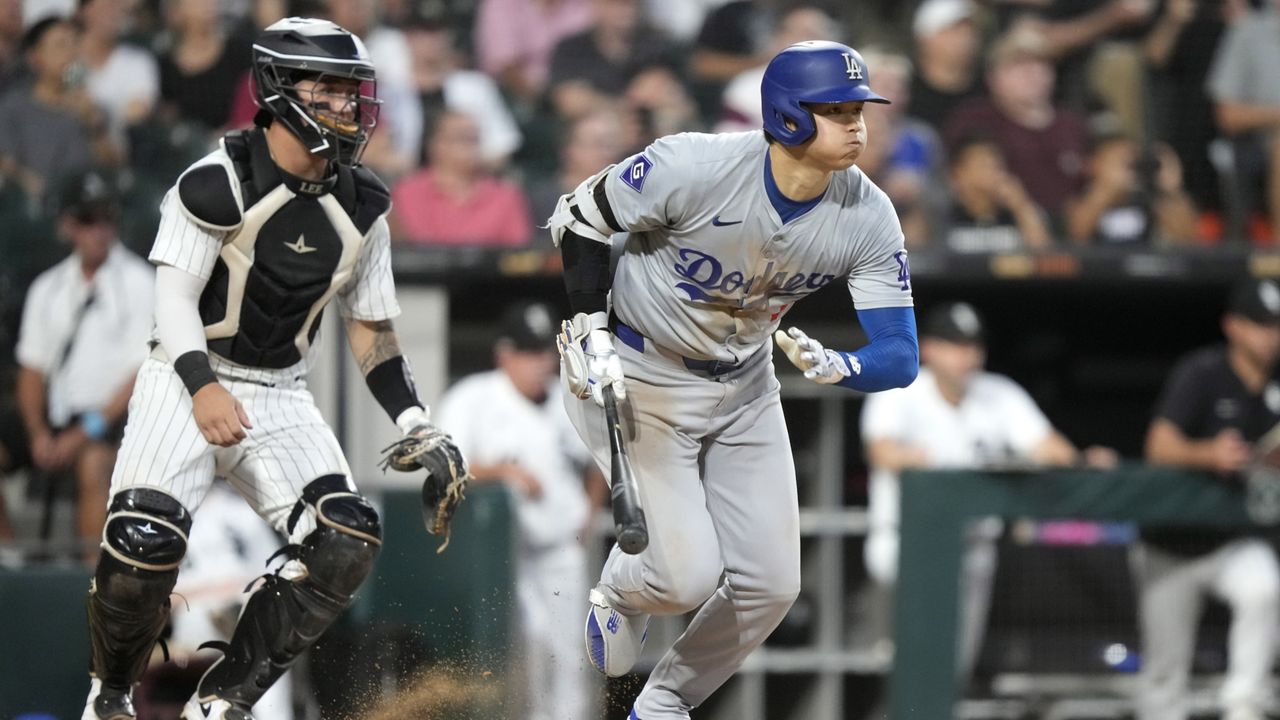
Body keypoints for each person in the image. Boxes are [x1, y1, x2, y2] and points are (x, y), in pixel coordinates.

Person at [78, 18, 467, 720]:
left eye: (354, 92)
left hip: (281, 390)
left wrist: (418, 422)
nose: (350, 107)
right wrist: (202, 388)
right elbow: (172, 297)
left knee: (346, 538)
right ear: (278, 90)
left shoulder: (366, 204)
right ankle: (109, 693)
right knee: (143, 545)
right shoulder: (215, 181)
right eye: (331, 90)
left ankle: (224, 700)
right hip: (185, 370)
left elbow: (372, 330)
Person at [548, 41, 919, 719]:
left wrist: (846, 365)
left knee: (772, 585)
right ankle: (624, 592)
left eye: (858, 109)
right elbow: (580, 217)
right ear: (786, 117)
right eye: (834, 110)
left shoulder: (868, 213)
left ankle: (662, 705)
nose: (856, 124)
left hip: (745, 386)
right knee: (684, 576)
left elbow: (900, 352)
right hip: (639, 371)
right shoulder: (697, 163)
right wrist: (586, 321)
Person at [860, 302, 1116, 677]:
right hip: (906, 545)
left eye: (973, 345)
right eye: (955, 345)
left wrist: (1078, 460)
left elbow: (1045, 445)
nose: (967, 356)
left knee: (956, 668)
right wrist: (916, 459)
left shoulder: (999, 393)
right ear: (929, 348)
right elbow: (881, 451)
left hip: (973, 548)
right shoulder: (899, 388)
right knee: (912, 669)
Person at [435, 300, 602, 720]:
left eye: (545, 351)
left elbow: (601, 460)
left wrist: (589, 516)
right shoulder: (475, 398)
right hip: (502, 557)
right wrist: (500, 471)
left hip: (562, 547)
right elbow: (442, 464)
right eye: (530, 352)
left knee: (572, 655)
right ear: (504, 353)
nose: (542, 361)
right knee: (528, 644)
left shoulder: (569, 398)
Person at [1137, 278, 1280, 720]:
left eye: (1276, 325)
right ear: (1233, 327)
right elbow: (1158, 446)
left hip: (1231, 538)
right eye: (1259, 324)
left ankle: (1244, 706)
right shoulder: (1202, 372)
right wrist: (1208, 452)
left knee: (1264, 588)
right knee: (1165, 678)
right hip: (1170, 543)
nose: (1270, 335)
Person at [15, 170, 153, 562]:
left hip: (111, 421)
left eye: (106, 217)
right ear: (69, 226)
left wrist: (81, 432)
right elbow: (31, 368)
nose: (99, 230)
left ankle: (93, 585)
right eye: (88, 220)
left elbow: (137, 375)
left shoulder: (139, 282)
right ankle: (9, 567)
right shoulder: (48, 287)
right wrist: (37, 431)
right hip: (56, 419)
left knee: (94, 465)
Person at [390, 110, 534, 246]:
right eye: (461, 137)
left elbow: (518, 256)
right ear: (435, 144)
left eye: (474, 138)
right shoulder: (408, 192)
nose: (470, 146)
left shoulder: (506, 197)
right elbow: (410, 247)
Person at [943, 136, 1052, 252]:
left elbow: (1044, 255)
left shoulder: (1021, 211)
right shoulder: (943, 214)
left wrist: (1020, 206)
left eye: (996, 165)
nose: (992, 171)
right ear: (958, 174)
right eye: (982, 164)